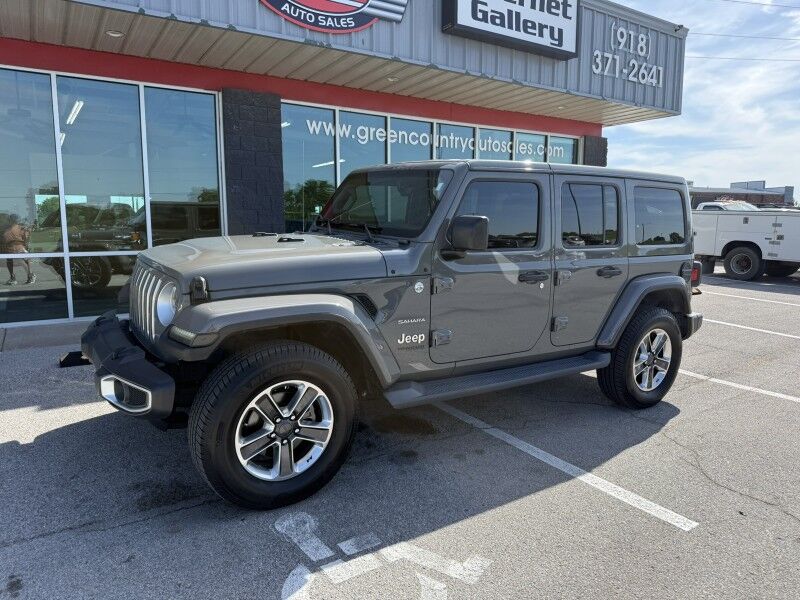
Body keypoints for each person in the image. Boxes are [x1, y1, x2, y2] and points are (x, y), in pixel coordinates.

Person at [3, 214, 36, 285]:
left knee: (9, 261)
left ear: (10, 220)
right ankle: (30, 275)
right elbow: (26, 238)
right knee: (28, 259)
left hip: (11, 249)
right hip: (19, 248)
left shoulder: (7, 231)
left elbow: (5, 240)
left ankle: (13, 278)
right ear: (17, 220)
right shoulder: (21, 228)